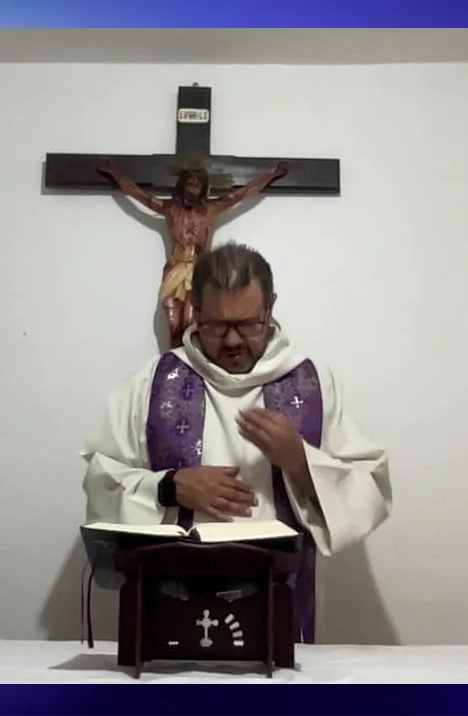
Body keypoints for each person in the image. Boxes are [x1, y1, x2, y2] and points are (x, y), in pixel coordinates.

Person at [81, 243, 393, 643]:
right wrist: (169, 487)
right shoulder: (151, 382)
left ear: (271, 308)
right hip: (169, 610)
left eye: (247, 325)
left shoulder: (313, 382)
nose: (232, 341)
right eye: (216, 325)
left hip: (279, 608)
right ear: (195, 310)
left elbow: (371, 486)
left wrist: (300, 462)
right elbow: (102, 481)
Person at [96, 158, 288, 349]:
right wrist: (114, 173)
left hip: (198, 272)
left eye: (197, 185)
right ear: (182, 185)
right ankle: (172, 361)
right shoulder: (170, 209)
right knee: (173, 325)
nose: (193, 190)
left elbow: (242, 194)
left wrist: (271, 175)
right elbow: (137, 194)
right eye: (190, 184)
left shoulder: (210, 210)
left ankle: (191, 361)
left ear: (203, 188)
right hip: (175, 271)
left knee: (190, 323)